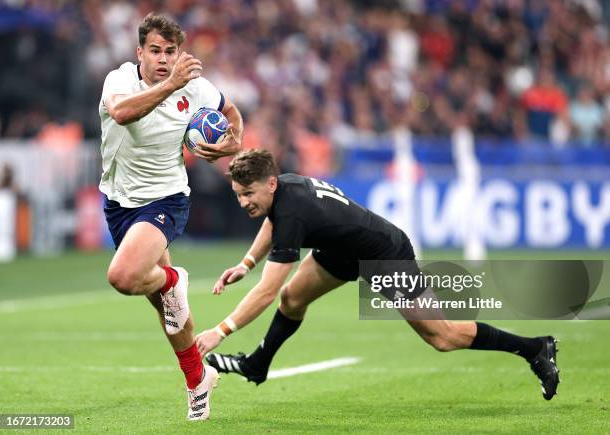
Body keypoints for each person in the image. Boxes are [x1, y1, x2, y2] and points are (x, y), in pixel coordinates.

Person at [195, 149, 560, 401]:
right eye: (239, 195)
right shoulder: (283, 189)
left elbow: (265, 292)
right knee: (294, 298)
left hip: (383, 254)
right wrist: (245, 264)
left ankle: (534, 348)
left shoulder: (293, 211)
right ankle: (258, 365)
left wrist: (221, 330)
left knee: (443, 336)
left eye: (248, 193)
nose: (243, 202)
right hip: (343, 251)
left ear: (270, 184)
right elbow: (273, 223)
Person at [99, 13, 243, 421]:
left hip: (166, 199)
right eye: (156, 51)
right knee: (168, 308)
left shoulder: (194, 86)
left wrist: (234, 142)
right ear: (139, 52)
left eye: (171, 52)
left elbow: (231, 113)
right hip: (119, 202)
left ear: (179, 53)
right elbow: (123, 114)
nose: (164, 59)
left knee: (124, 277)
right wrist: (170, 85)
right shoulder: (120, 80)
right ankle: (199, 379)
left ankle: (174, 278)